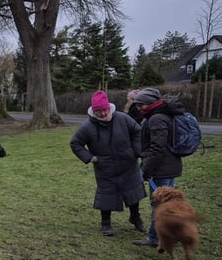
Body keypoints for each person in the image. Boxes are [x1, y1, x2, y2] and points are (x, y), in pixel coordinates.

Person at [70, 90, 147, 236]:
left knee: (133, 193)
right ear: (94, 111)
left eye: (105, 110)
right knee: (106, 194)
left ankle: (135, 218)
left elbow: (137, 131)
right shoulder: (88, 127)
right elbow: (75, 144)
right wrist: (91, 158)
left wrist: (136, 151)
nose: (104, 114)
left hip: (128, 163)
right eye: (99, 111)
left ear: (109, 107)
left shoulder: (123, 118)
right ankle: (106, 223)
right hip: (105, 167)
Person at [131, 87, 185, 247]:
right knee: (165, 204)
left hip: (161, 169)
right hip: (167, 166)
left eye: (141, 105)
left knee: (159, 204)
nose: (139, 108)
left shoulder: (157, 119)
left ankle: (155, 238)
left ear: (150, 103)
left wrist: (146, 170)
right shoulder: (162, 115)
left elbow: (157, 148)